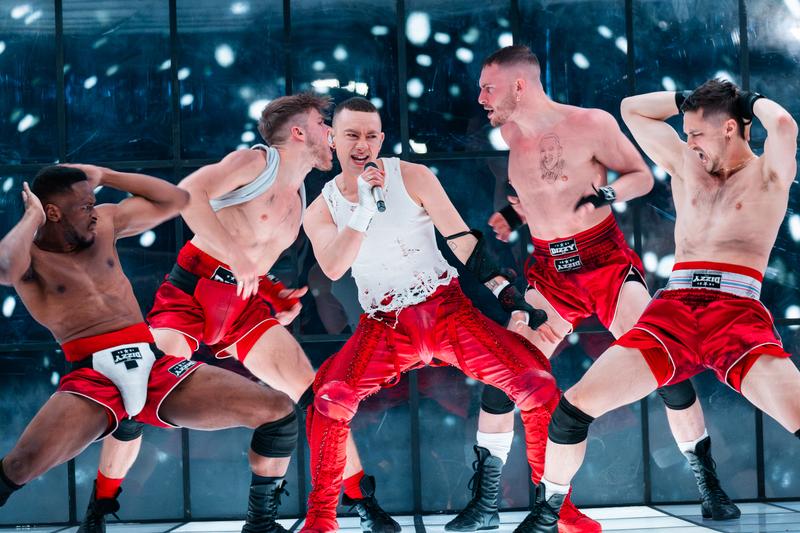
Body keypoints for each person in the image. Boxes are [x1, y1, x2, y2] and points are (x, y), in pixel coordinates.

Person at [446, 46, 740, 533]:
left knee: (663, 361)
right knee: (506, 373)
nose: (480, 97)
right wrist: (511, 217)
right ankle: (485, 503)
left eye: (488, 87)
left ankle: (708, 485)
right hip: (549, 273)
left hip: (603, 262)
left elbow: (642, 177)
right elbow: (544, 190)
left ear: (520, 85)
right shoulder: (508, 134)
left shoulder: (592, 123)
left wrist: (605, 194)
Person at [78, 94, 399, 533]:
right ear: (300, 131)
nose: (332, 132)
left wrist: (274, 293)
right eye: (325, 123)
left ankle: (360, 502)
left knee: (319, 397)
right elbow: (188, 196)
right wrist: (239, 260)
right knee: (135, 397)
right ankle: (98, 509)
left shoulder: (302, 193)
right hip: (191, 295)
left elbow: (253, 250)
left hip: (243, 308)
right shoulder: (256, 162)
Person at [514, 79, 800, 532]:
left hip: (735, 313)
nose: (689, 143)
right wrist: (686, 101)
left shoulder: (768, 174)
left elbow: (783, 124)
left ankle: (707, 480)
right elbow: (632, 109)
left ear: (730, 127)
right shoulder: (688, 167)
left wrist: (751, 102)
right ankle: (548, 512)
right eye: (685, 133)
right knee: (573, 409)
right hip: (675, 310)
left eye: (696, 134)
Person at [298, 96, 594, 533]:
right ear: (332, 138)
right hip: (384, 325)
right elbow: (336, 266)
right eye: (351, 135)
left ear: (381, 138)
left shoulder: (411, 174)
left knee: (535, 382)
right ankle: (320, 519)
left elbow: (460, 239)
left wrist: (507, 295)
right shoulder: (320, 209)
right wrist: (363, 205)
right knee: (329, 398)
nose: (362, 145)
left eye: (370, 135)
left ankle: (557, 511)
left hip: (445, 311)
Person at [0, 165, 298, 527]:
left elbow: (175, 199)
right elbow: (4, 268)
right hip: (93, 377)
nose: (94, 212)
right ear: (52, 212)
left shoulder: (105, 224)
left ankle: (260, 523)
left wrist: (106, 175)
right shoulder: (31, 257)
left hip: (152, 361)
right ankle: (98, 508)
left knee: (278, 411)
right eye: (84, 207)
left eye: (94, 203)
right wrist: (32, 216)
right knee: (18, 466)